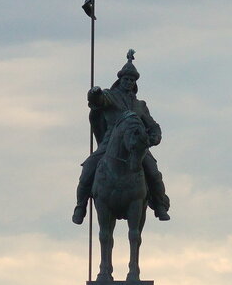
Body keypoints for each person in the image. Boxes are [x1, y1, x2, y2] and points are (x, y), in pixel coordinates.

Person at [72, 49, 170, 224]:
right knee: (88, 169)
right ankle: (80, 206)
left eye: (132, 80)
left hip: (136, 146)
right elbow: (98, 101)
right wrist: (94, 93)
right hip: (110, 145)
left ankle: (160, 204)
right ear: (120, 80)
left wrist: (154, 137)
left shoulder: (140, 105)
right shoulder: (111, 96)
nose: (129, 82)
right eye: (126, 79)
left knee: (154, 173)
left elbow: (152, 125)